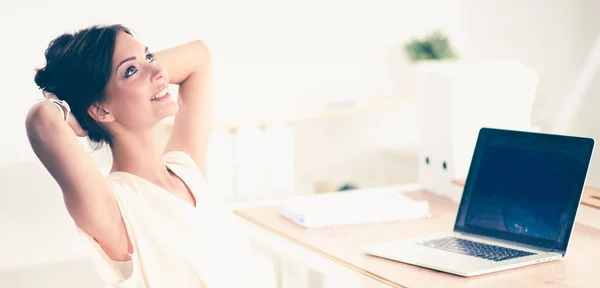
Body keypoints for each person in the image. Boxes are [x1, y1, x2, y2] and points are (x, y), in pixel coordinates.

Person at [25, 24, 260, 287]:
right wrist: (74, 110)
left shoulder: (184, 167)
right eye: (130, 71)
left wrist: (135, 71)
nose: (159, 71)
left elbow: (199, 56)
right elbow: (43, 121)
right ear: (101, 111)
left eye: (148, 57)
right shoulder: (114, 208)